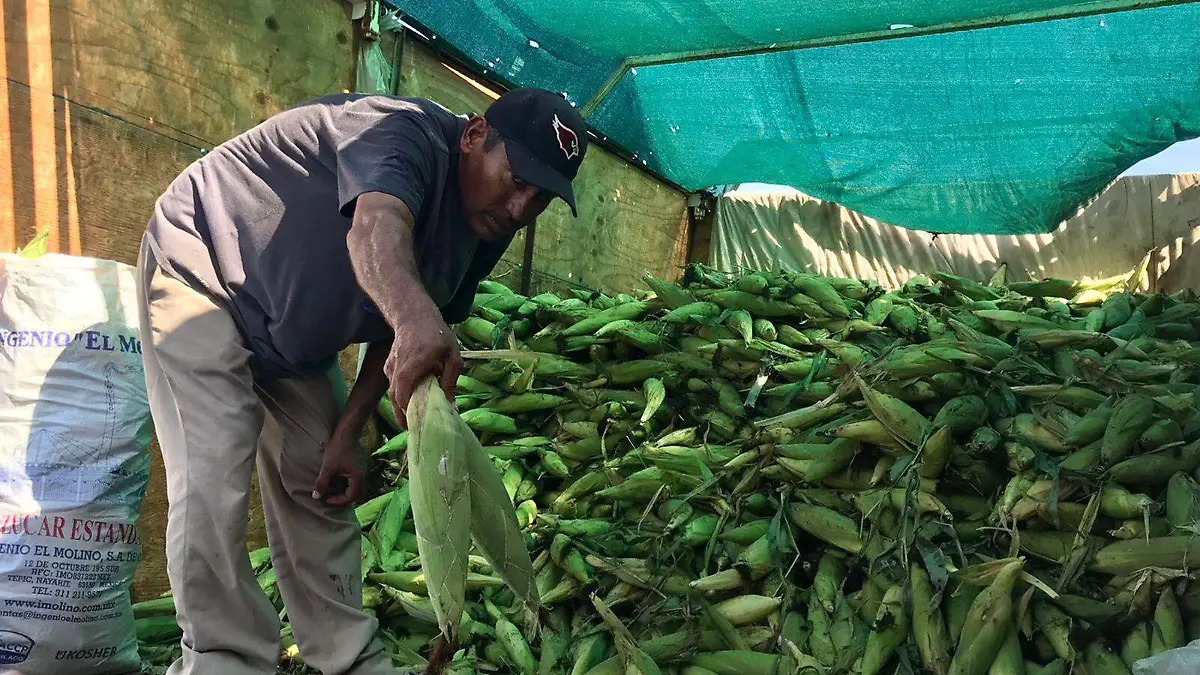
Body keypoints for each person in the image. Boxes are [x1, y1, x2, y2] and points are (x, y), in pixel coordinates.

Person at [134, 87, 588, 675]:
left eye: (542, 197)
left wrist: (350, 429)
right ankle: (226, 656)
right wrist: (416, 318)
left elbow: (402, 331)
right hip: (203, 273)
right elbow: (375, 230)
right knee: (214, 466)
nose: (522, 208)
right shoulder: (400, 135)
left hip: (293, 340)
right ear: (475, 137)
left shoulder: (488, 222)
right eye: (518, 178)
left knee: (318, 476)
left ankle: (348, 656)